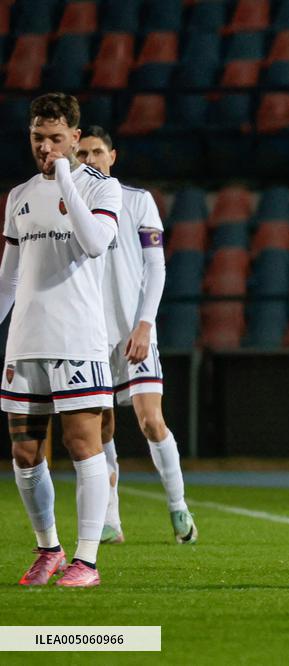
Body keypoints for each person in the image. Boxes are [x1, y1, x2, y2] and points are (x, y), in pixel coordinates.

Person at [0, 93, 121, 587]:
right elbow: (9, 278)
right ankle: (48, 547)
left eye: (55, 138)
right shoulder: (19, 195)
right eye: (37, 138)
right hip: (26, 339)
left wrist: (66, 177)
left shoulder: (101, 189)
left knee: (81, 445)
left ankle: (87, 561)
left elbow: (94, 245)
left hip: (77, 339)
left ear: (75, 137)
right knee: (25, 452)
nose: (45, 148)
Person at [75, 126, 197, 545]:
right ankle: (111, 520)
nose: (90, 159)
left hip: (132, 332)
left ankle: (179, 507)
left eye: (97, 152)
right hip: (89, 335)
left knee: (151, 421)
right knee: (101, 429)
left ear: (113, 156)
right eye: (83, 153)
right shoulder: (70, 208)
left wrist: (145, 323)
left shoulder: (137, 201)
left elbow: (156, 268)